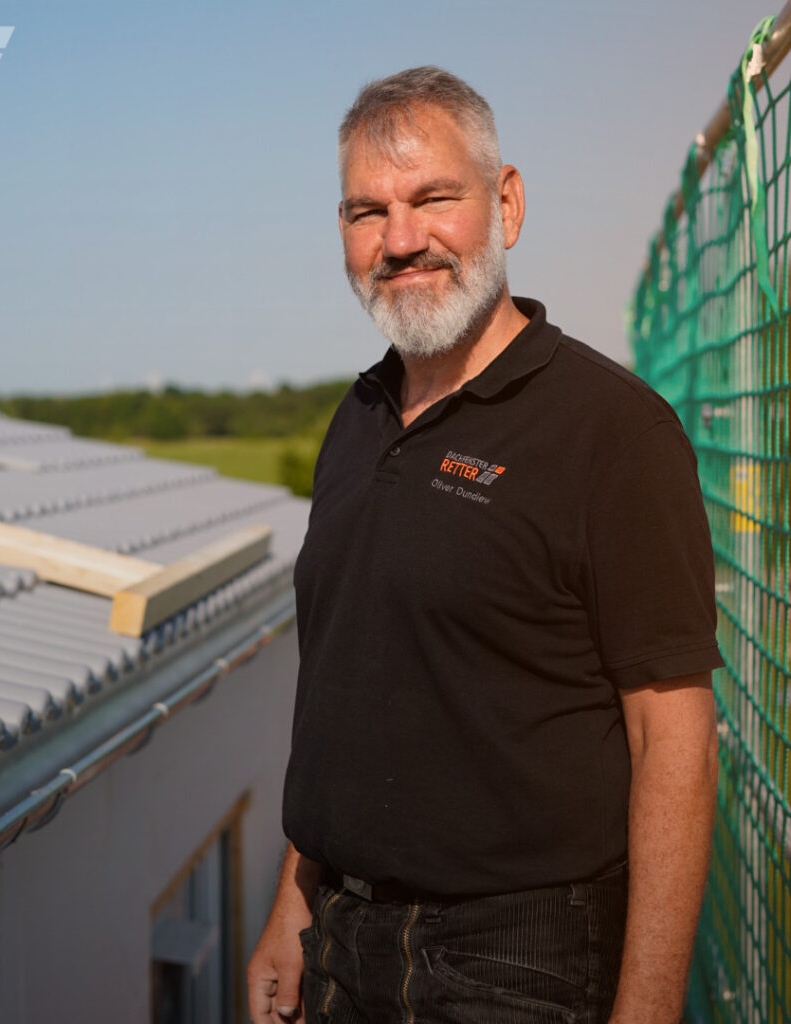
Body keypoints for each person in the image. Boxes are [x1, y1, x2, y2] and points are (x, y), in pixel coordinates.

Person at [248, 67, 722, 1024]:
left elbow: (673, 741)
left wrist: (650, 1008)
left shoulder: (612, 434)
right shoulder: (357, 420)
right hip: (340, 939)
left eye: (433, 199)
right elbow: (344, 691)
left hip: (521, 962)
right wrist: (289, 904)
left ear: (505, 204)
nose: (402, 239)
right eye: (367, 211)